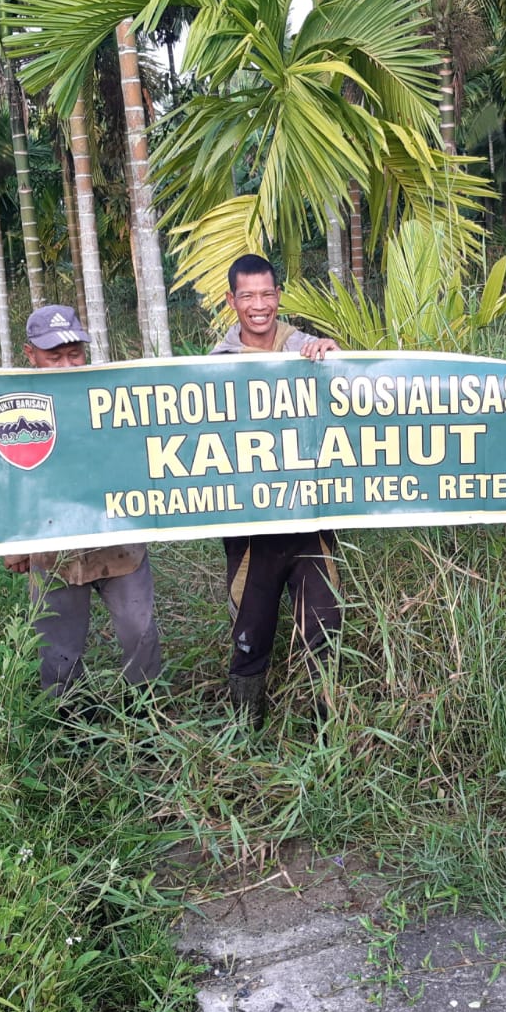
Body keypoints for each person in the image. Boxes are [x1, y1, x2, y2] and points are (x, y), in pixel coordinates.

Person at [2, 305, 162, 707]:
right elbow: (2, 479)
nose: (66, 365)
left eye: (74, 354)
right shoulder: (14, 406)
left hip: (119, 546)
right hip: (52, 551)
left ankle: (145, 715)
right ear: (30, 354)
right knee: (57, 649)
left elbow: (145, 456)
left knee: (139, 631)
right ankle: (65, 722)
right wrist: (12, 541)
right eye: (54, 357)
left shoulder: (113, 397)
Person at [210, 254, 341, 726]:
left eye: (267, 294)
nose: (259, 305)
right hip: (251, 532)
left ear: (278, 297)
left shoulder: (306, 348)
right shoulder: (213, 367)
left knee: (325, 632)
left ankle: (330, 735)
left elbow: (350, 397)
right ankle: (246, 737)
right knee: (250, 637)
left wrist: (333, 354)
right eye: (248, 296)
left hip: (310, 526)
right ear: (232, 301)